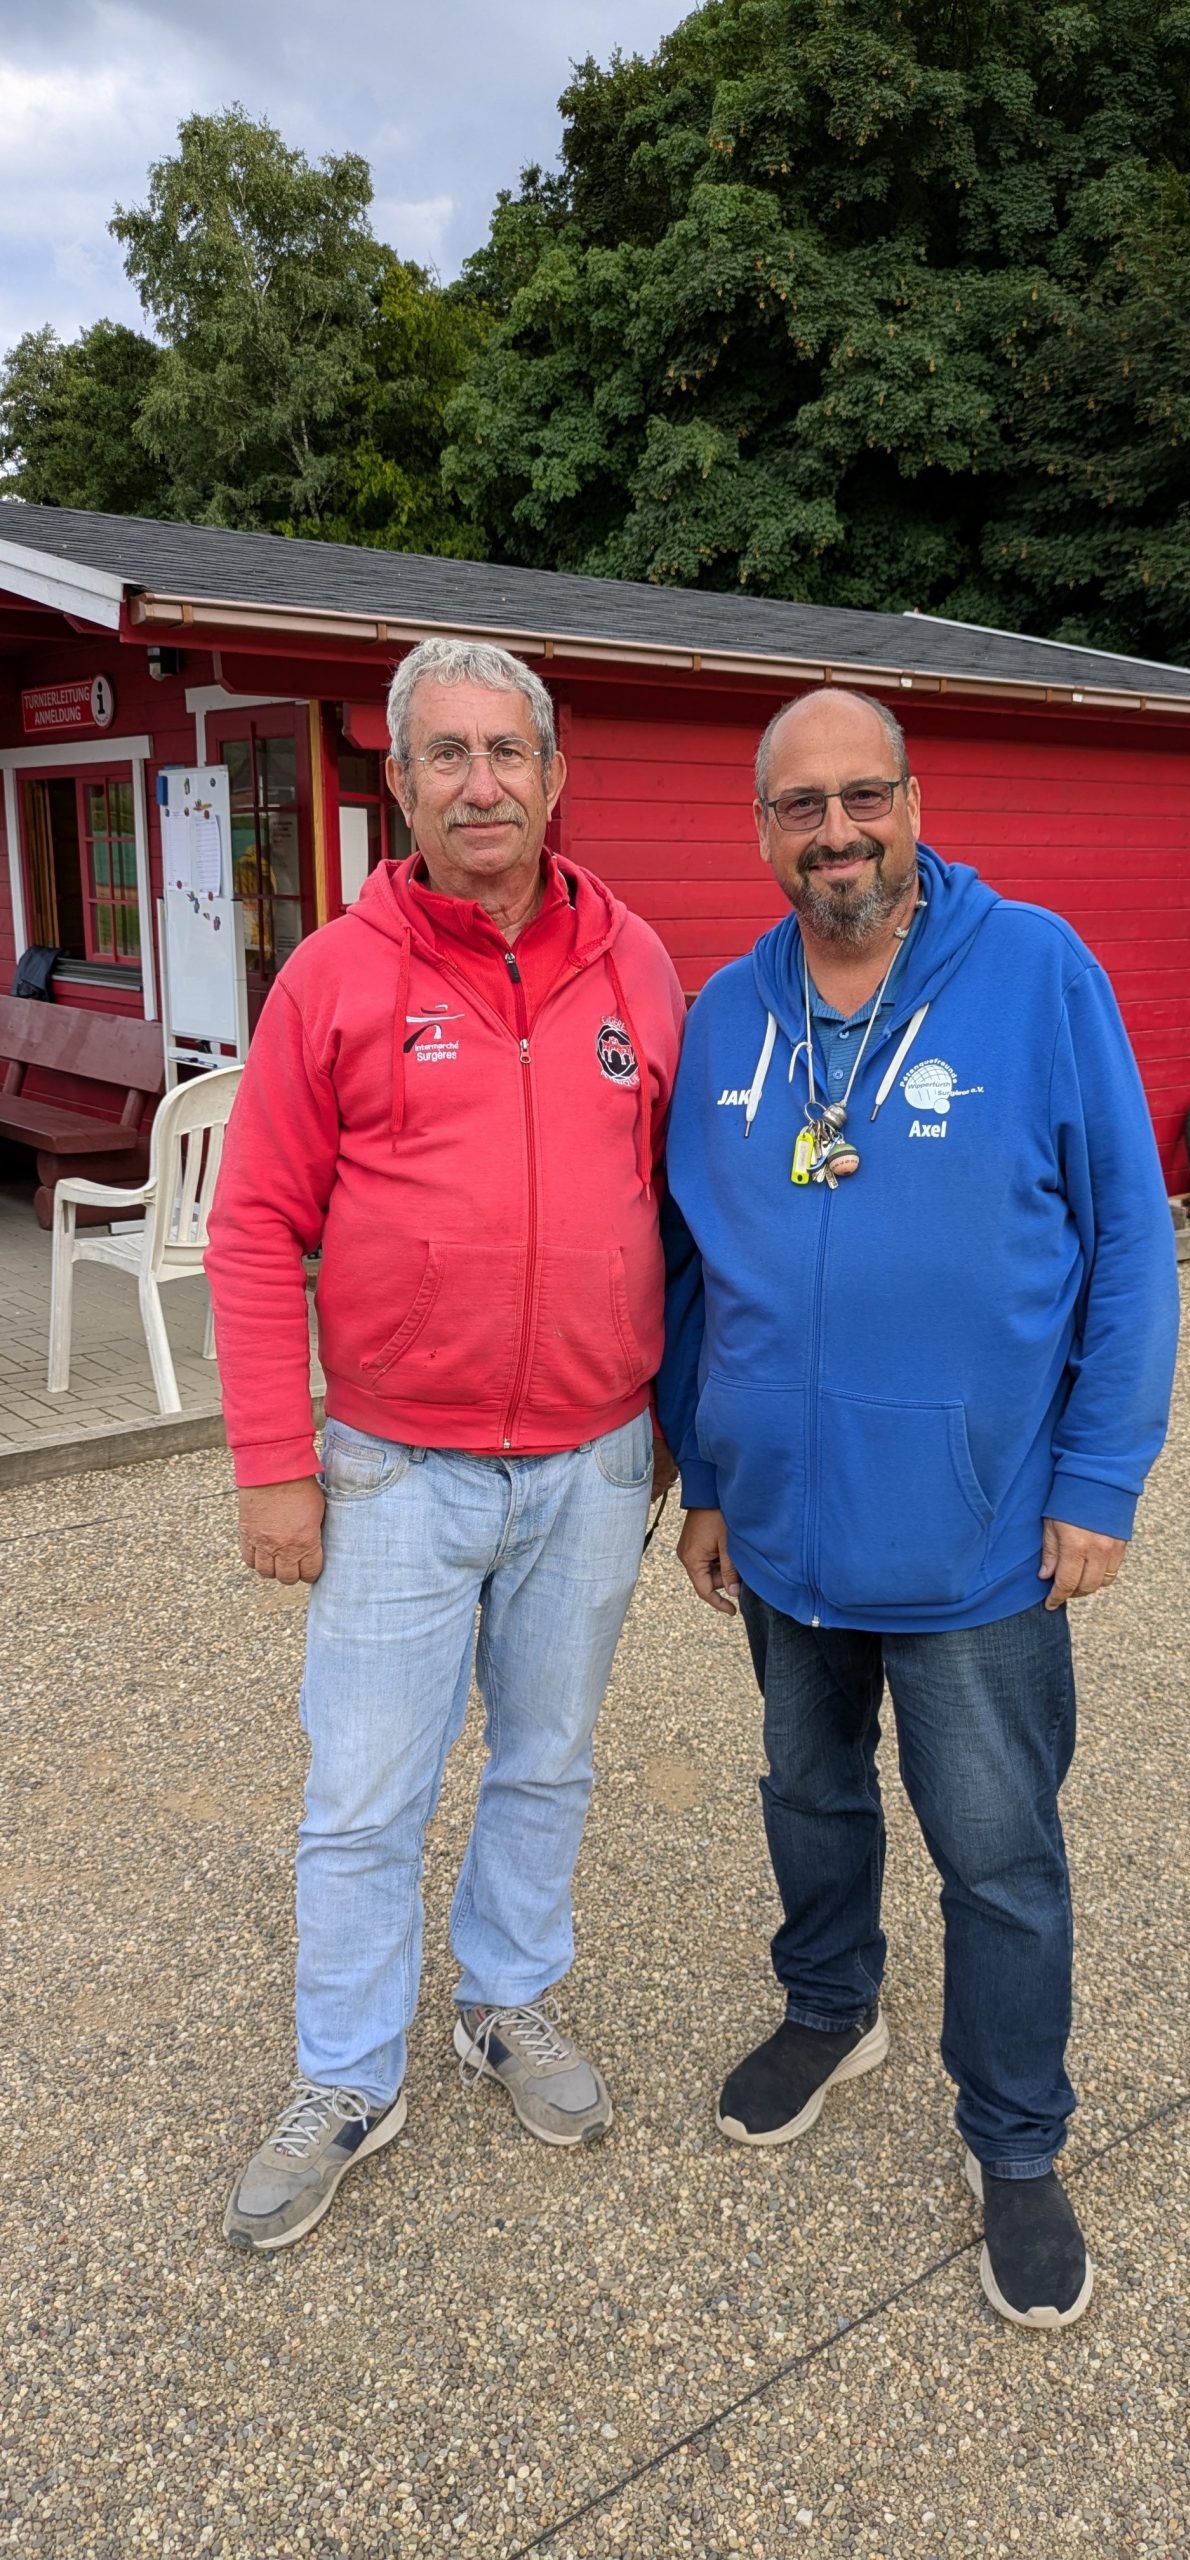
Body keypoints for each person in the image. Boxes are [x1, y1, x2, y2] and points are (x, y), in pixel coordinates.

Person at [658, 687, 1178, 2330]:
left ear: (914, 802)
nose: (837, 833)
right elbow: (695, 1273)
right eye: (800, 806)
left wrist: (1098, 1477)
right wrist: (706, 1477)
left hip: (978, 1539)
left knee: (1000, 1856)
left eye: (862, 796)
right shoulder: (727, 1017)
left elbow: (1130, 1240)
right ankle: (833, 2006)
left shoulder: (1036, 974)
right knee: (808, 1796)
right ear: (762, 830)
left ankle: (1015, 2141)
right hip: (783, 1532)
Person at [206, 637, 684, 2251]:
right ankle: (348, 2077)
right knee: (363, 1794)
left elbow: (679, 1215)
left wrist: (682, 1439)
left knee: (547, 1757)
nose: (481, 783)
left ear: (554, 775)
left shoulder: (637, 966)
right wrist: (274, 1460)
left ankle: (507, 2000)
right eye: (446, 755)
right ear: (399, 784)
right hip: (397, 1468)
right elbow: (254, 1229)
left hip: (595, 1460)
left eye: (507, 751)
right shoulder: (331, 978)